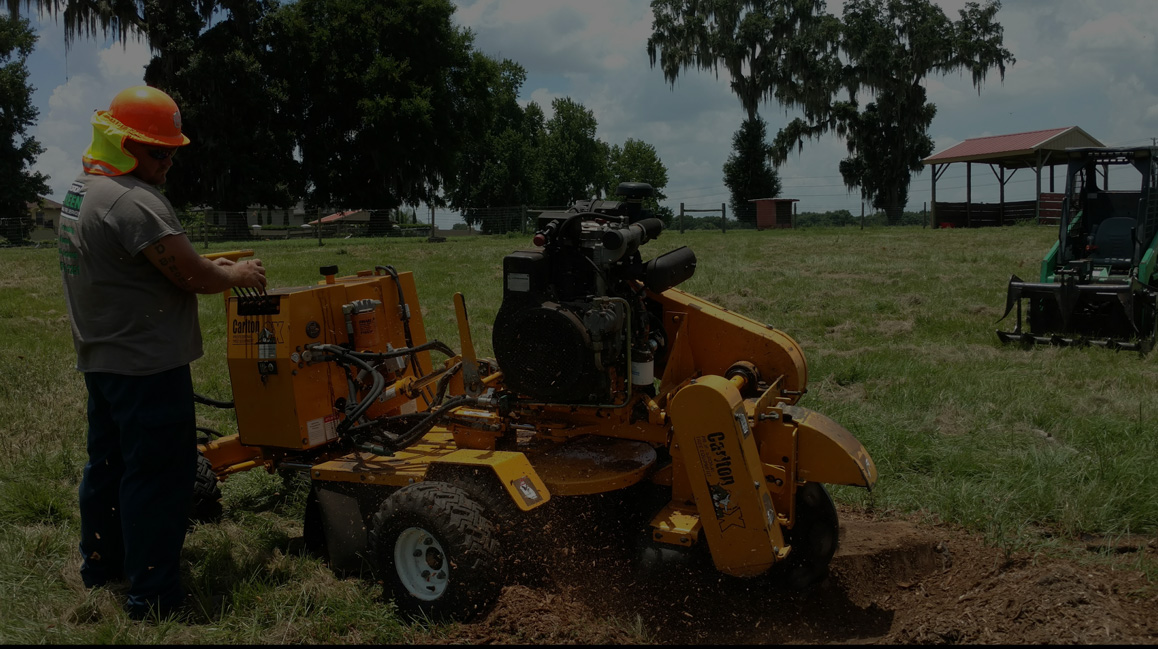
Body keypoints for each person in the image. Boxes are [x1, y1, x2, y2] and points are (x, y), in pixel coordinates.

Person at [57, 85, 267, 620]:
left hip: (103, 360)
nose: (168, 162)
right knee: (160, 476)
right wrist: (237, 274)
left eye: (172, 151)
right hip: (148, 366)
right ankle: (153, 598)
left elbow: (145, 262)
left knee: (108, 465)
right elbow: (193, 275)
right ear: (123, 142)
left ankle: (102, 565)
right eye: (157, 151)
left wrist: (195, 260)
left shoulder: (83, 191)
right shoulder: (134, 202)